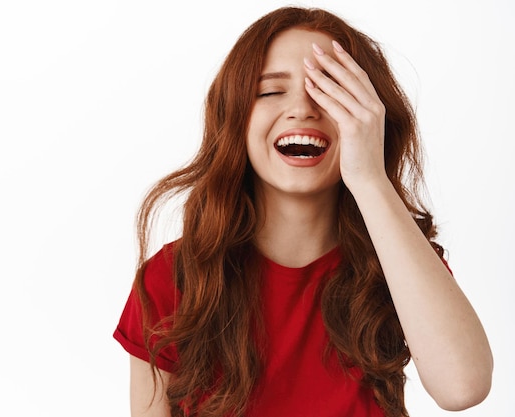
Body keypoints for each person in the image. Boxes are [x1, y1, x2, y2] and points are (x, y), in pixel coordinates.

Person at [113, 6, 493, 417]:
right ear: (235, 118)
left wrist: (369, 177)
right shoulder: (171, 279)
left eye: (331, 92)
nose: (303, 109)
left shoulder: (399, 261)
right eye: (271, 91)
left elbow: (462, 388)